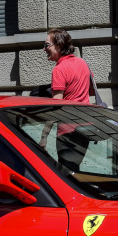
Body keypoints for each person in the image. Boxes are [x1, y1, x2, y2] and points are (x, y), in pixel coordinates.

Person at [43, 28, 98, 171]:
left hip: (68, 130)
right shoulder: (83, 63)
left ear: (59, 46)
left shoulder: (59, 69)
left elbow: (56, 106)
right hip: (85, 128)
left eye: (47, 45)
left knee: (66, 174)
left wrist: (44, 136)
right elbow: (90, 91)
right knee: (74, 171)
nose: (44, 49)